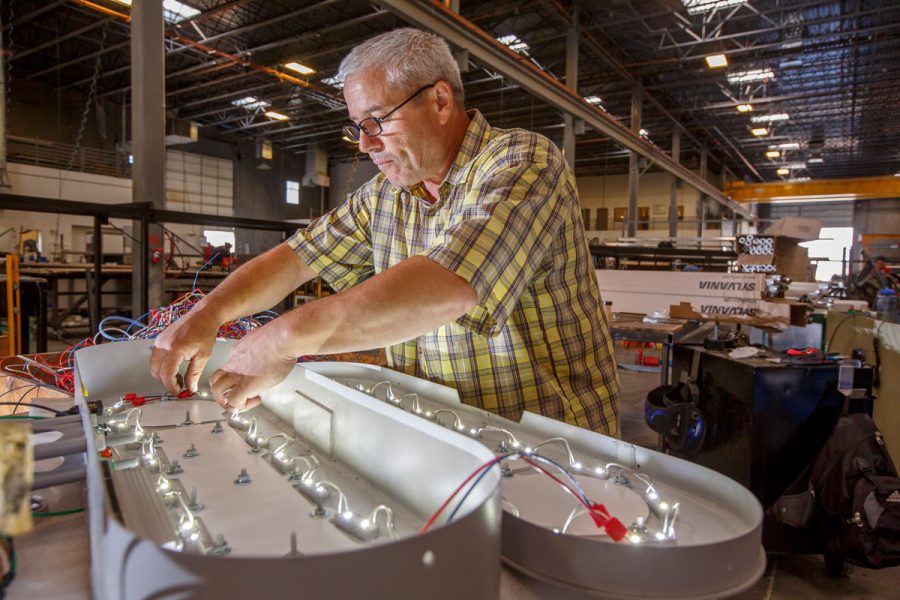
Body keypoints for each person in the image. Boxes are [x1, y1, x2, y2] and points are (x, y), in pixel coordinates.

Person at [151, 29, 620, 435]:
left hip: (551, 442)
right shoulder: (385, 195)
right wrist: (208, 313)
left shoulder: (522, 161)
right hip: (445, 435)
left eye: (377, 121)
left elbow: (449, 287)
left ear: (440, 101)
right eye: (357, 127)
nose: (365, 143)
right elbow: (297, 257)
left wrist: (279, 340)